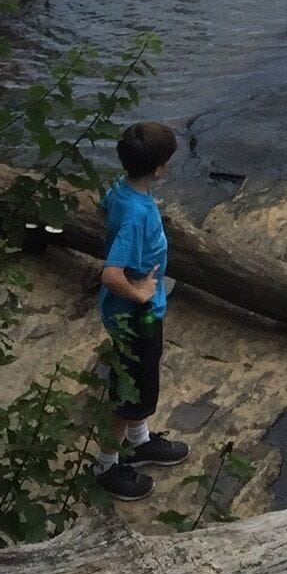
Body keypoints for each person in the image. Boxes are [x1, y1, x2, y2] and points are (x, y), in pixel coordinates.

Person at [93, 119, 191, 500]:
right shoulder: (136, 214)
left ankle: (139, 442)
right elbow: (110, 274)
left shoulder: (122, 191)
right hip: (135, 318)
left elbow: (106, 208)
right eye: (168, 161)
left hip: (137, 314)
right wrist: (140, 292)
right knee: (129, 394)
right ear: (158, 169)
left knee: (141, 385)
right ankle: (106, 466)